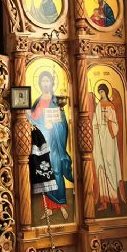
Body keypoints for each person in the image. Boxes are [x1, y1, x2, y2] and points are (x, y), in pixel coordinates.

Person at [29, 70, 73, 211]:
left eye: (47, 81)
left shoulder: (56, 102)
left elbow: (63, 125)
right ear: (39, 83)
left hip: (54, 143)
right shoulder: (37, 101)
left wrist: (53, 125)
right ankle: (47, 208)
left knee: (56, 170)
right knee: (44, 171)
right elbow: (32, 120)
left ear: (51, 83)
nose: (45, 83)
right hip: (41, 144)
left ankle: (61, 204)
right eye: (43, 81)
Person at [91, 83, 124, 214]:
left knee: (110, 165)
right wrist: (96, 128)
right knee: (101, 166)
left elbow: (115, 123)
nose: (101, 94)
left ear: (106, 92)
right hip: (100, 137)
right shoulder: (98, 105)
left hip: (109, 137)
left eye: (102, 91)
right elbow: (94, 122)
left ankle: (115, 201)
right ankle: (104, 201)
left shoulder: (110, 106)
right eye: (99, 92)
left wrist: (108, 120)